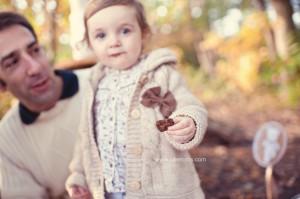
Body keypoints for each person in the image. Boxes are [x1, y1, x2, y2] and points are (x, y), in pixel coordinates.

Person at [65, 0, 208, 198]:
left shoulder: (160, 72)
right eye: (101, 35)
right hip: (110, 190)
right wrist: (79, 176)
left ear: (144, 33)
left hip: (161, 190)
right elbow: (85, 137)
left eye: (125, 31)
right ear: (90, 43)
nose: (114, 41)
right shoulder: (94, 83)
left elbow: (189, 103)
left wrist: (189, 120)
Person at [0, 11, 89, 198]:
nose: (35, 67)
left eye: (34, 50)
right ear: (1, 84)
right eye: (12, 62)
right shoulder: (6, 144)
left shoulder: (102, 82)